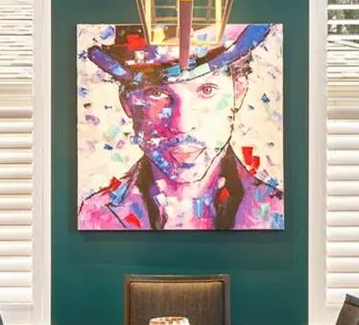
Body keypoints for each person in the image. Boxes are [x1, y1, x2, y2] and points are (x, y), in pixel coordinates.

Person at [78, 23, 283, 230]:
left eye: (206, 90)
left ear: (238, 91)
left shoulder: (276, 212)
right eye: (157, 93)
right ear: (127, 103)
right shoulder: (95, 217)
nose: (183, 125)